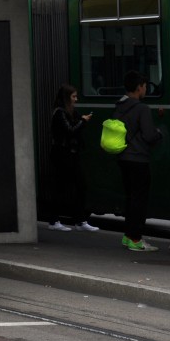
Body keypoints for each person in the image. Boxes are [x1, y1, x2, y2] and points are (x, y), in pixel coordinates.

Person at [114, 71, 163, 252]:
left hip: (123, 157)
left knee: (130, 198)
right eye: (144, 86)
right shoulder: (142, 109)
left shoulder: (120, 105)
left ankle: (128, 236)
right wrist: (159, 133)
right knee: (139, 200)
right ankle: (136, 239)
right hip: (139, 159)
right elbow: (149, 135)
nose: (145, 89)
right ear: (138, 88)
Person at [48, 83, 97, 231]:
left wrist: (81, 120)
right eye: (73, 96)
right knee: (62, 187)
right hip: (62, 154)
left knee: (79, 185)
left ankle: (79, 220)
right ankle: (55, 221)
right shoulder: (60, 113)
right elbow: (70, 131)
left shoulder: (70, 112)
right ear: (66, 98)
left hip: (70, 153)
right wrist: (83, 121)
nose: (76, 99)